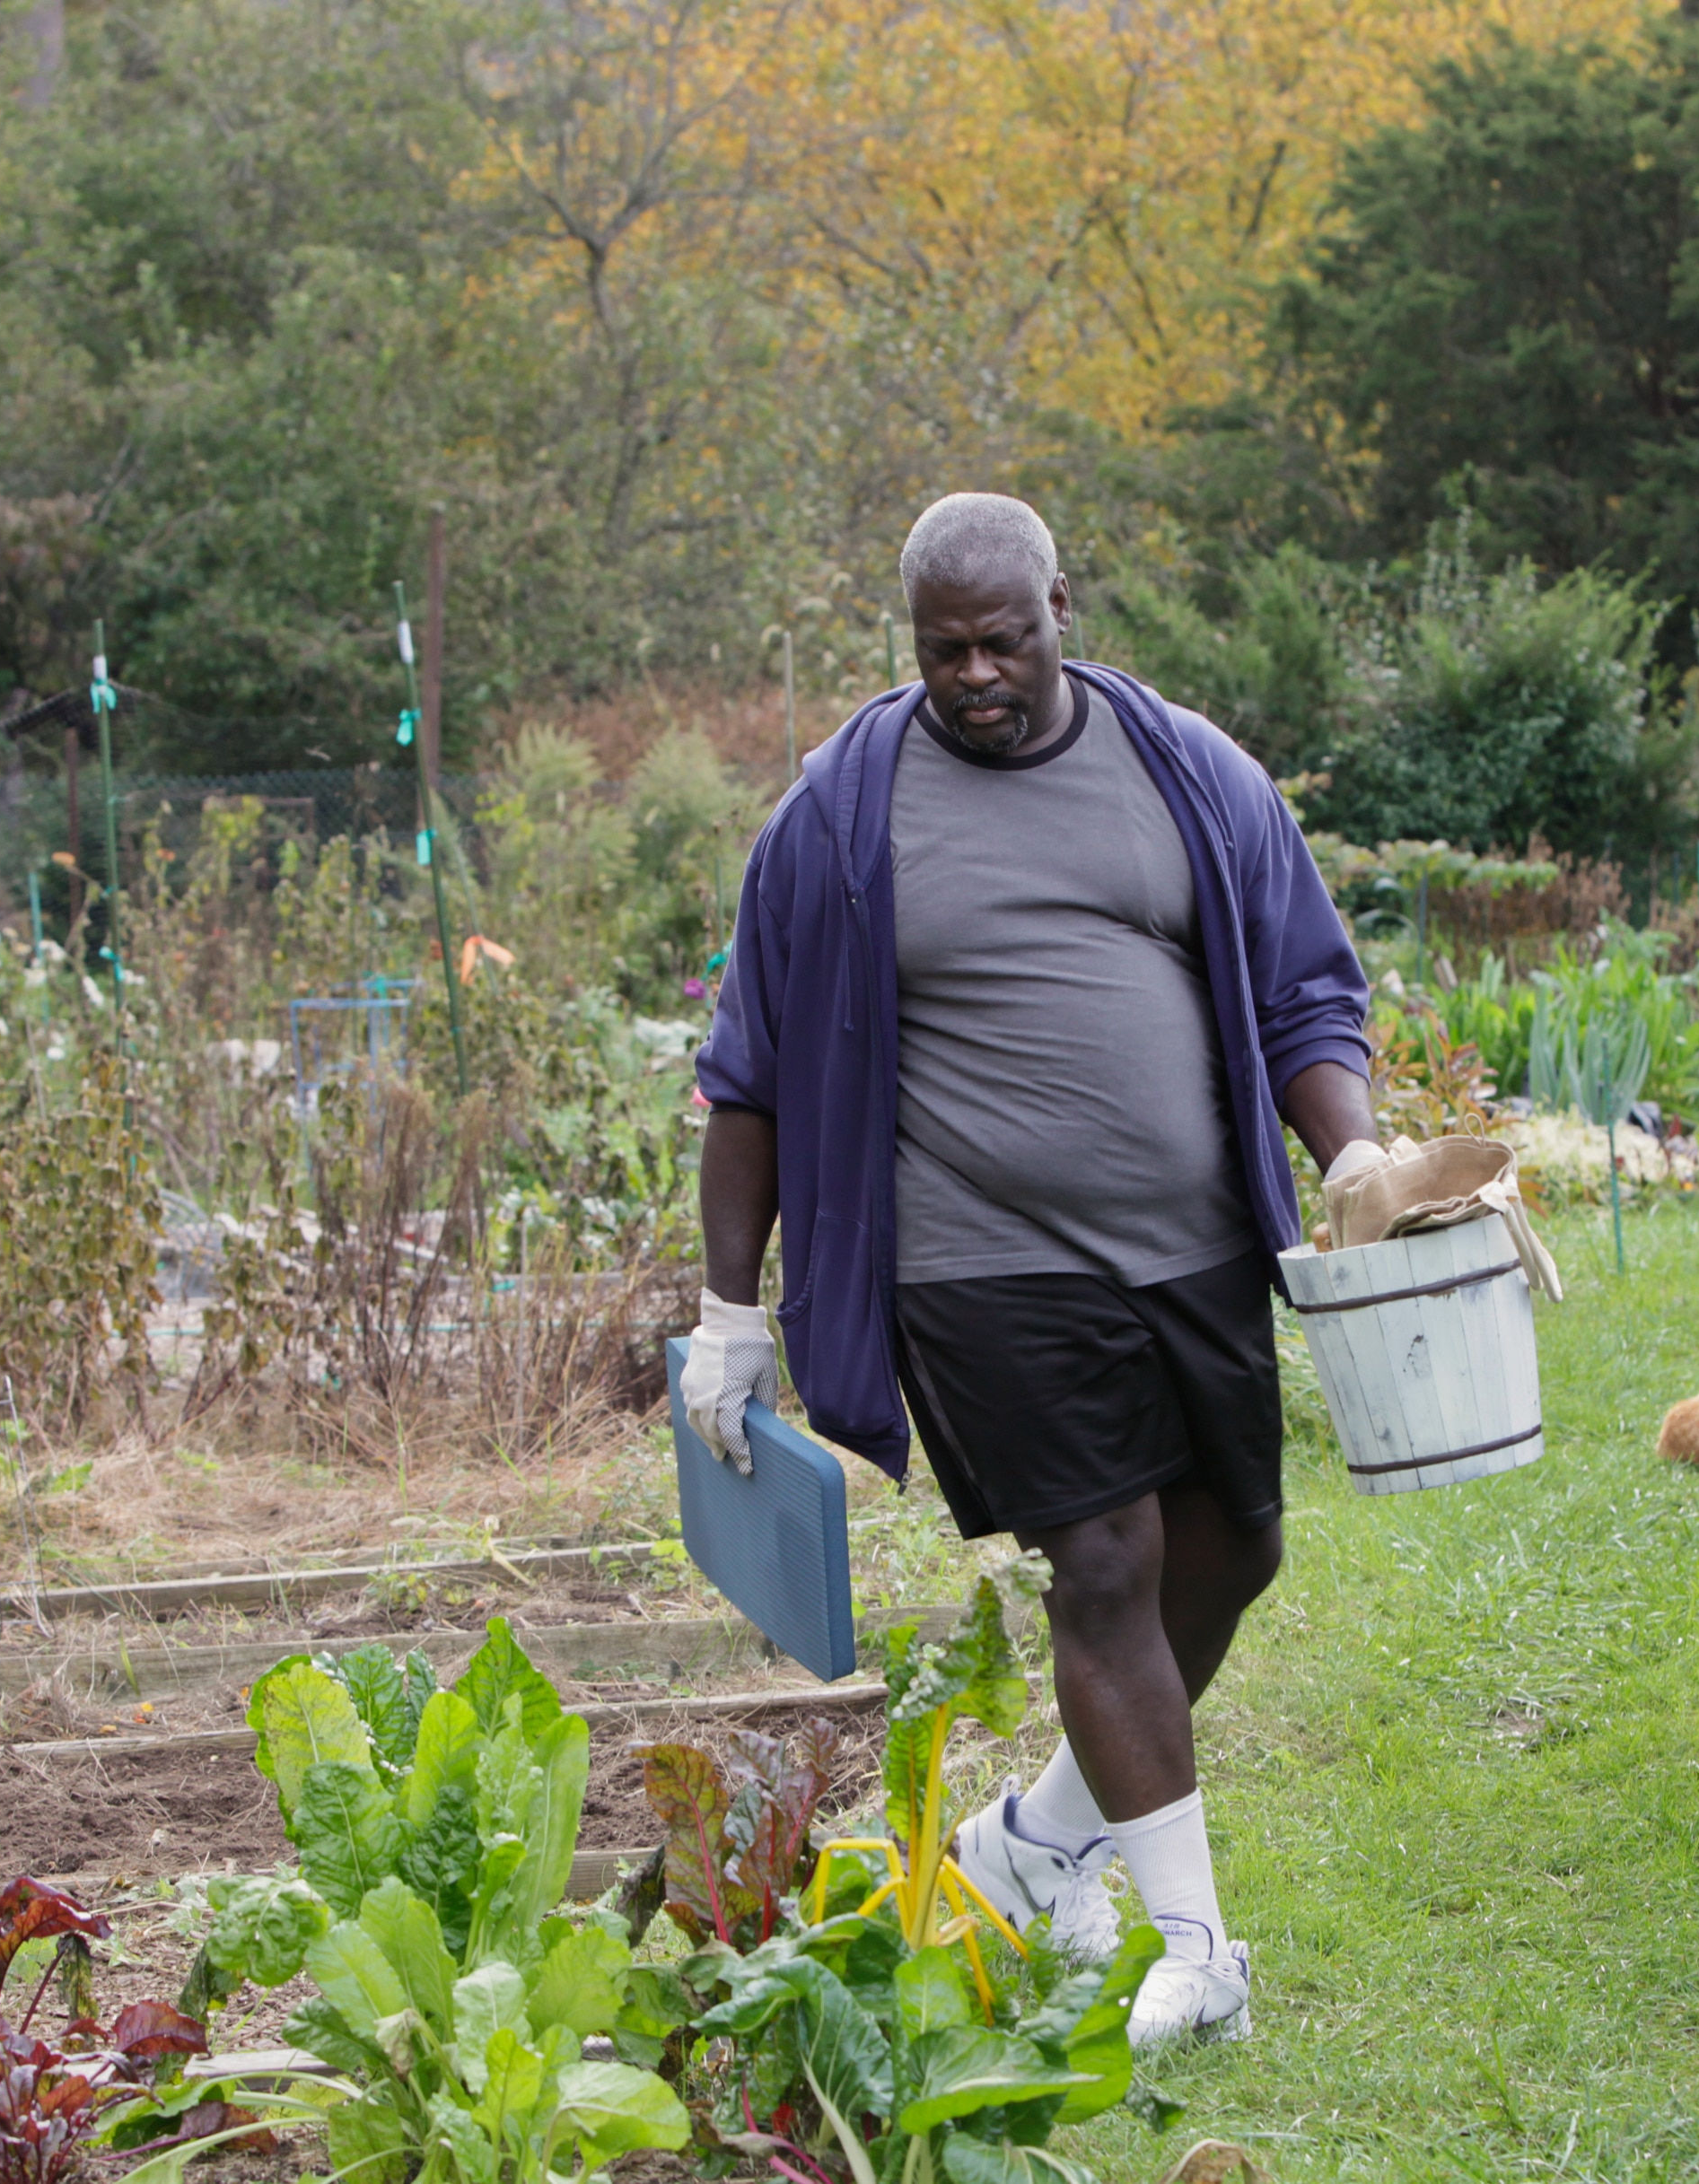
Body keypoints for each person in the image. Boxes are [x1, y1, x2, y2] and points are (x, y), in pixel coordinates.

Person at [684, 492, 1386, 2048]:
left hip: (1191, 1244)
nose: (977, 675)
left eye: (1004, 640)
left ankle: (1038, 1842)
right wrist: (733, 1317)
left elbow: (1303, 993)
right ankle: (1196, 1946)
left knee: (1236, 1549)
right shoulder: (841, 810)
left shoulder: (1187, 773)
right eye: (944, 652)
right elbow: (749, 1075)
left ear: (1062, 606)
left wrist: (1352, 1160)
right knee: (1108, 1566)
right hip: (976, 1260)